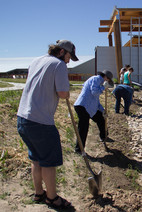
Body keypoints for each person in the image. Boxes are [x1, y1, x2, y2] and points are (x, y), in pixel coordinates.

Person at [17, 40, 78, 209]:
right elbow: (63, 93)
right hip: (40, 122)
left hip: (23, 118)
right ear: (61, 52)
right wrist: (67, 90)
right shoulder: (59, 65)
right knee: (49, 162)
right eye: (68, 56)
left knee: (36, 159)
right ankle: (52, 198)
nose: (68, 61)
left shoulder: (36, 60)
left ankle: (39, 193)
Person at [74, 70, 114, 154]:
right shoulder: (97, 79)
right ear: (106, 77)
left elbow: (96, 100)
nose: (107, 82)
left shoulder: (98, 82)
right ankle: (79, 149)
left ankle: (103, 137)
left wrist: (103, 111)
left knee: (101, 119)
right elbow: (94, 92)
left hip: (89, 107)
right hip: (83, 106)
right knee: (83, 127)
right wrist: (103, 87)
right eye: (108, 80)